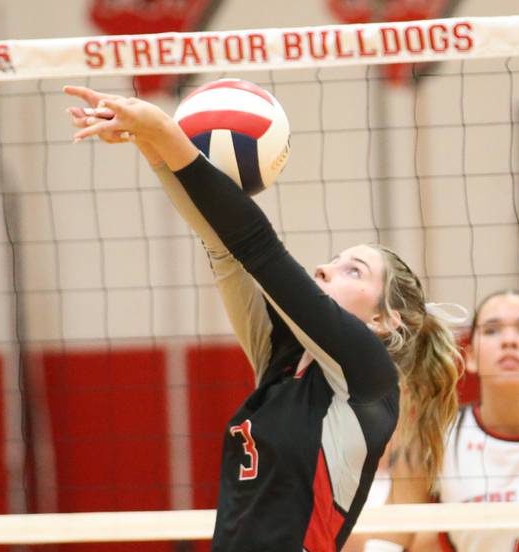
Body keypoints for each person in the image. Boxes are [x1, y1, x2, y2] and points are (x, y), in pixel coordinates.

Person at [63, 85, 462, 552]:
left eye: (353, 270)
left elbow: (256, 245)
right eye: (333, 259)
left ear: (385, 320)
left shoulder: (368, 376)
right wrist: (148, 143)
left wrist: (165, 131)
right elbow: (223, 248)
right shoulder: (281, 359)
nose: (324, 268)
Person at [355, 290, 519, 552]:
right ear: (471, 357)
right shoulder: (432, 439)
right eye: (492, 330)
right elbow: (388, 541)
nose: (509, 341)